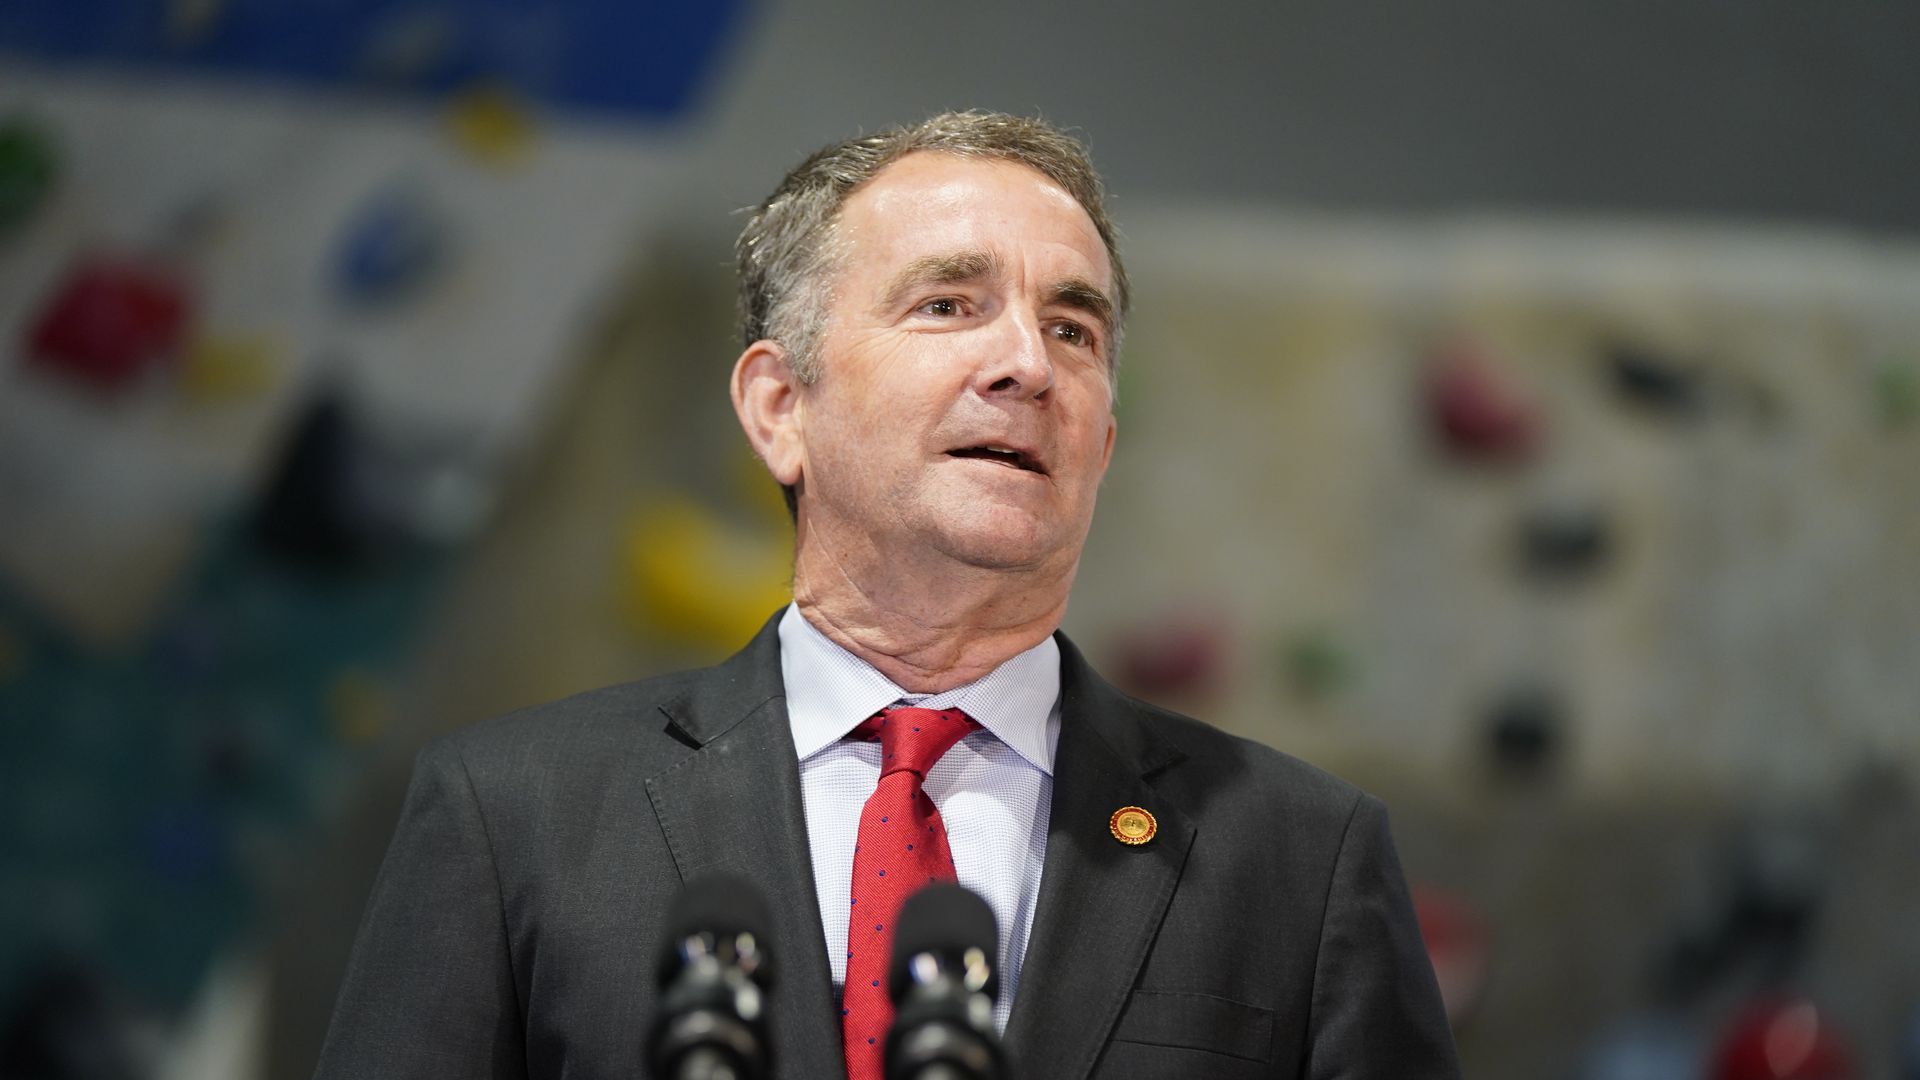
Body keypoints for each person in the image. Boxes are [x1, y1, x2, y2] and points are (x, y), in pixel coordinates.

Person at [314, 111, 1460, 1080]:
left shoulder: (1300, 857)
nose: (1027, 365)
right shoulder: (514, 816)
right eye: (949, 306)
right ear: (779, 407)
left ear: (1104, 443)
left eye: (1073, 327)